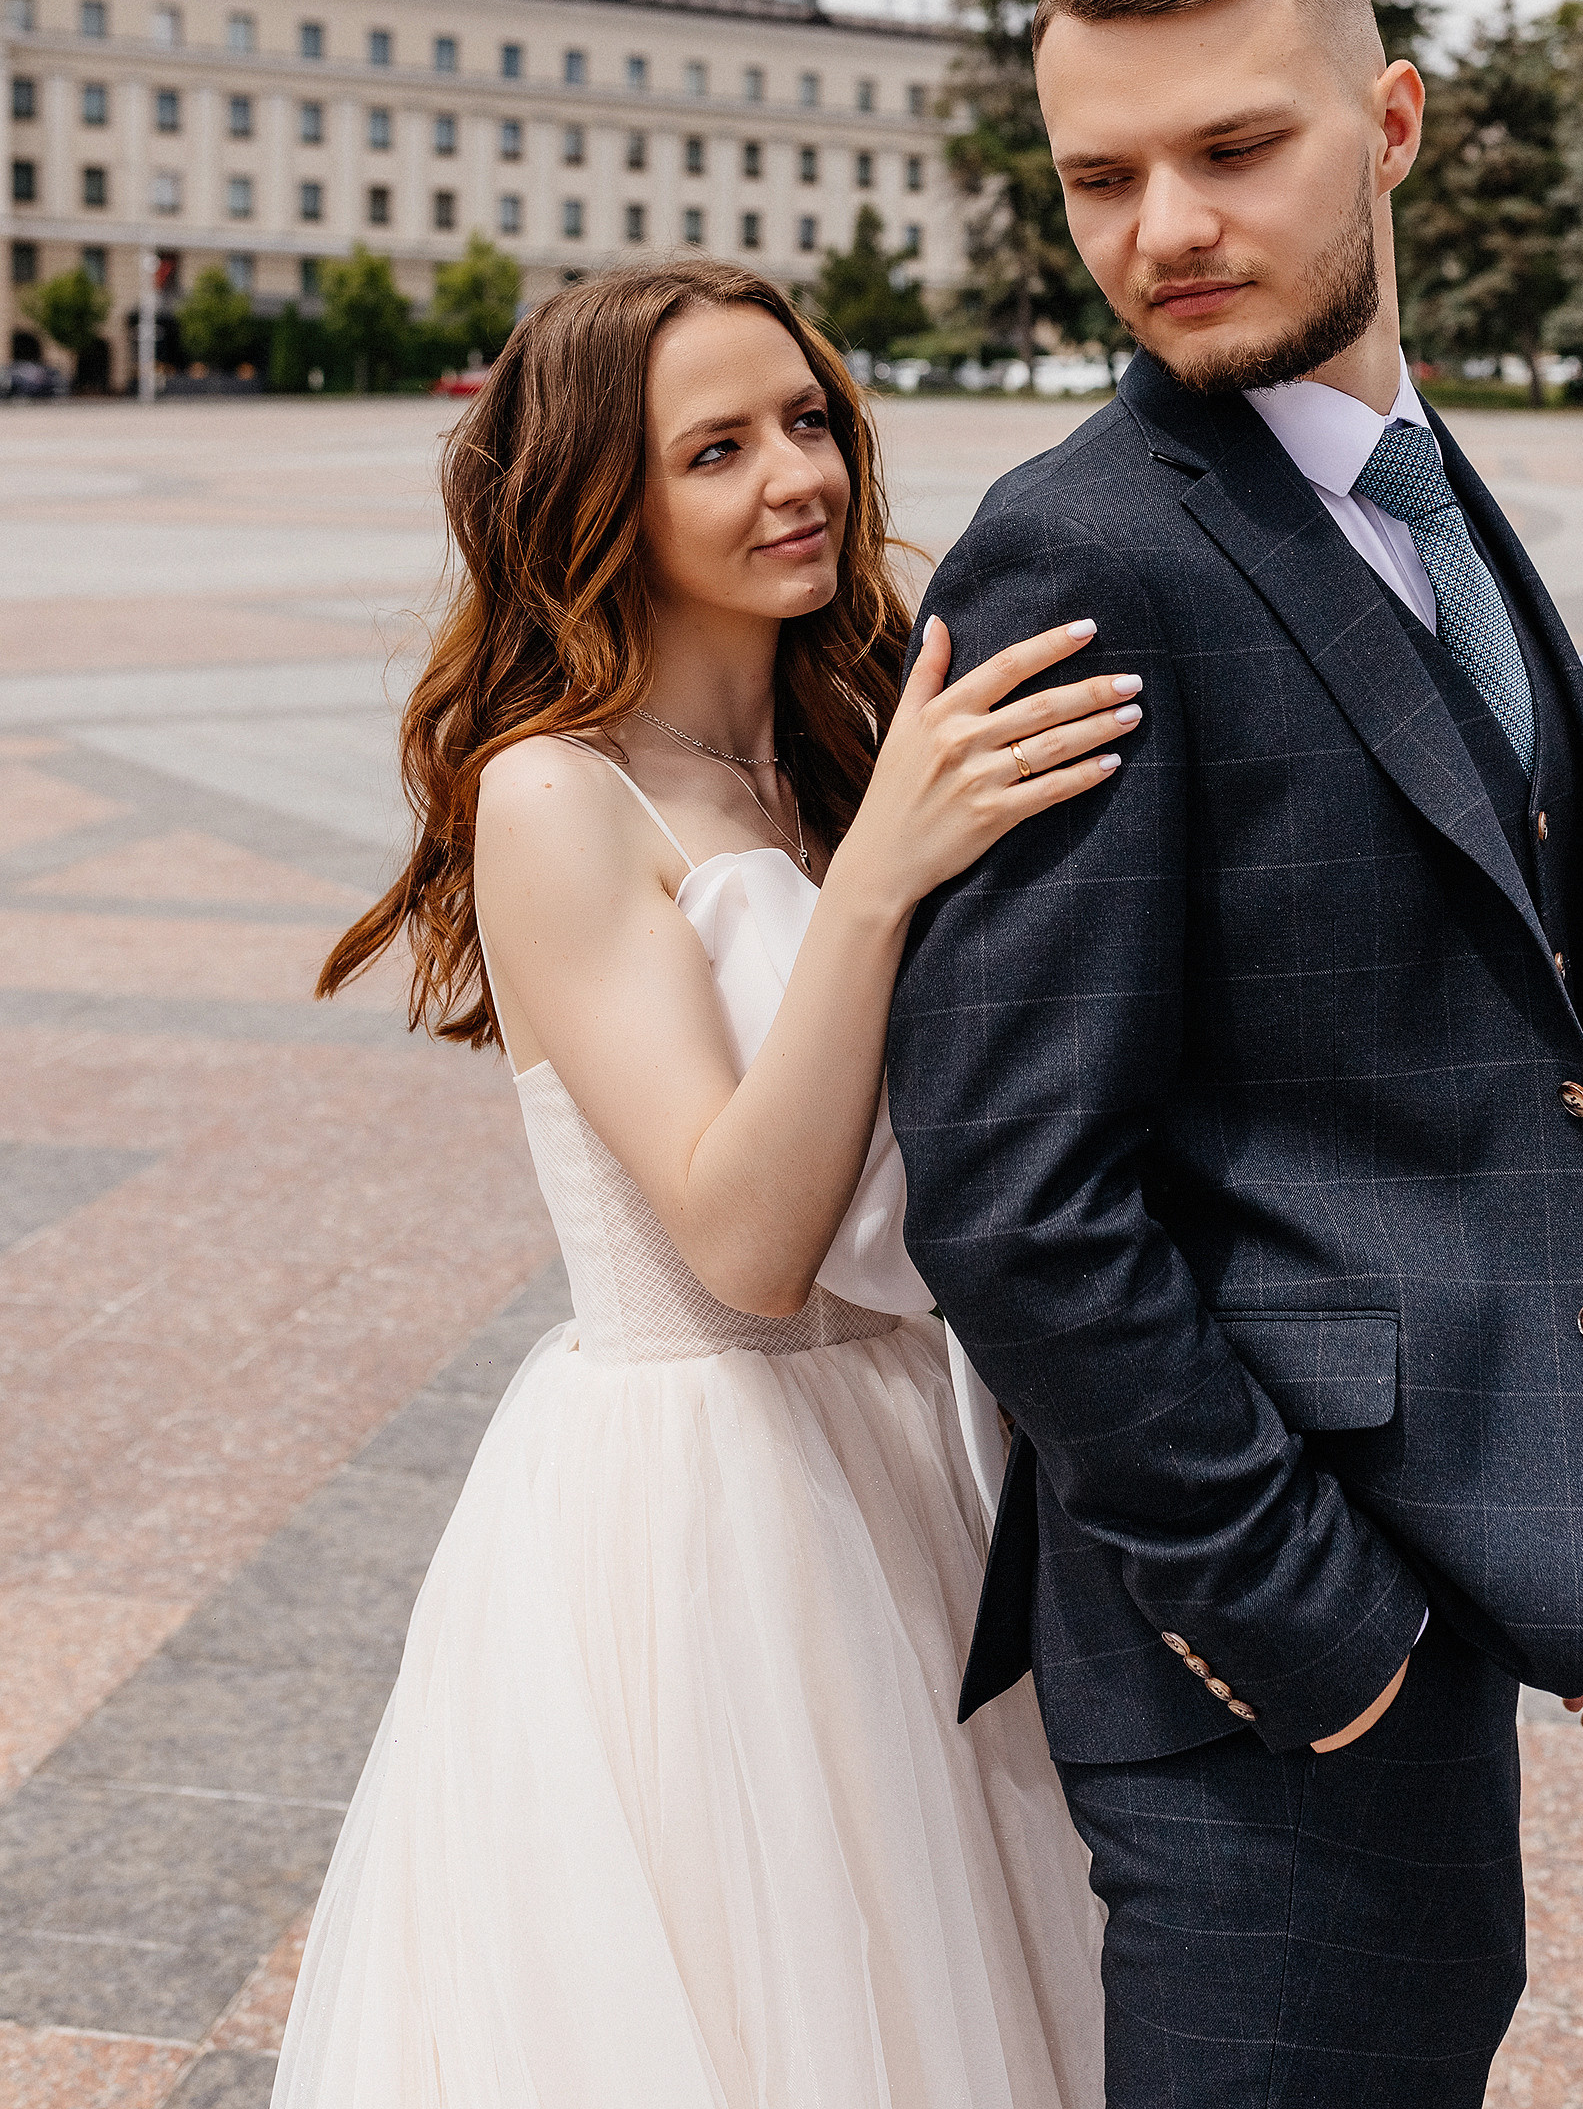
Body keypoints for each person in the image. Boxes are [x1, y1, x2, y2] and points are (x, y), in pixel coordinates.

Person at [887, 0, 1583, 2107]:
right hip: (1260, 1663)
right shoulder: (1082, 546)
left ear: (1394, 125)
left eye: (1234, 149)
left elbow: (1568, 1028)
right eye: (1100, 176)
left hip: (1443, 1567)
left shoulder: (1416, 487)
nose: (1162, 228)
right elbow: (1011, 1192)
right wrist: (1309, 1632)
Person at [280, 259, 1115, 2108]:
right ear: (603, 498)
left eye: (807, 420)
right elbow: (743, 1243)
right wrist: (881, 878)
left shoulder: (849, 745)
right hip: (714, 1501)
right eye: (715, 449)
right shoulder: (556, 796)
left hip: (922, 1456)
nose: (796, 476)